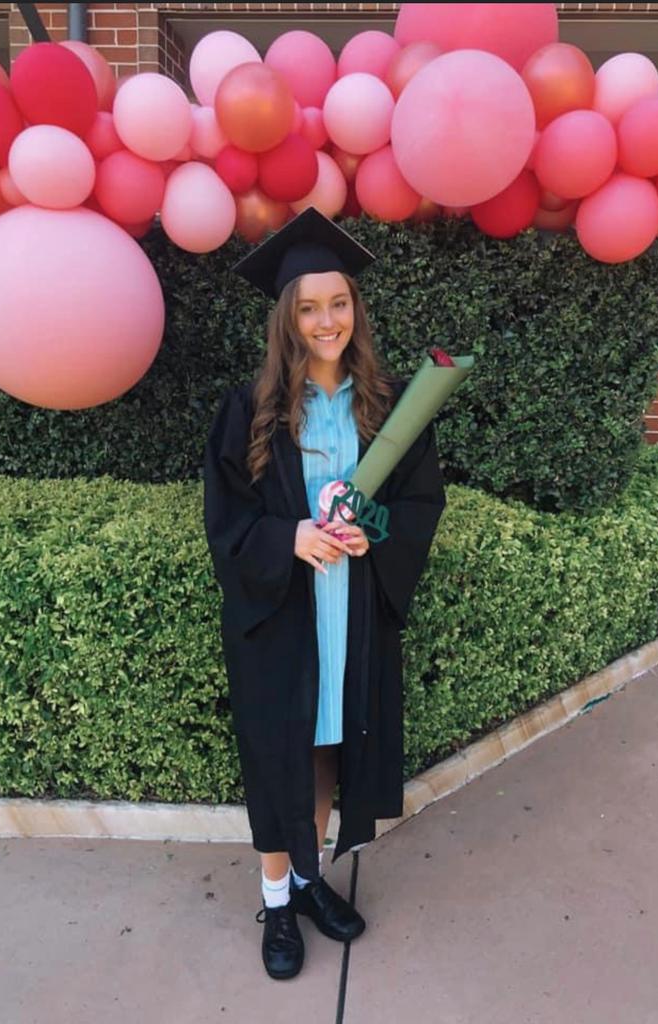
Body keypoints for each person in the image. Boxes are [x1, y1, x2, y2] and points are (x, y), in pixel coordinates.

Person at [202, 207, 446, 980]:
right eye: (307, 307)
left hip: (352, 617)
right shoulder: (250, 410)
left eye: (337, 302)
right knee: (281, 758)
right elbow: (226, 522)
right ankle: (276, 900)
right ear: (286, 317)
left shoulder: (388, 405)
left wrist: (372, 528)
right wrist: (289, 538)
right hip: (282, 619)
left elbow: (416, 502)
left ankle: (309, 884)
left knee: (325, 756)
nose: (325, 320)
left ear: (356, 309)